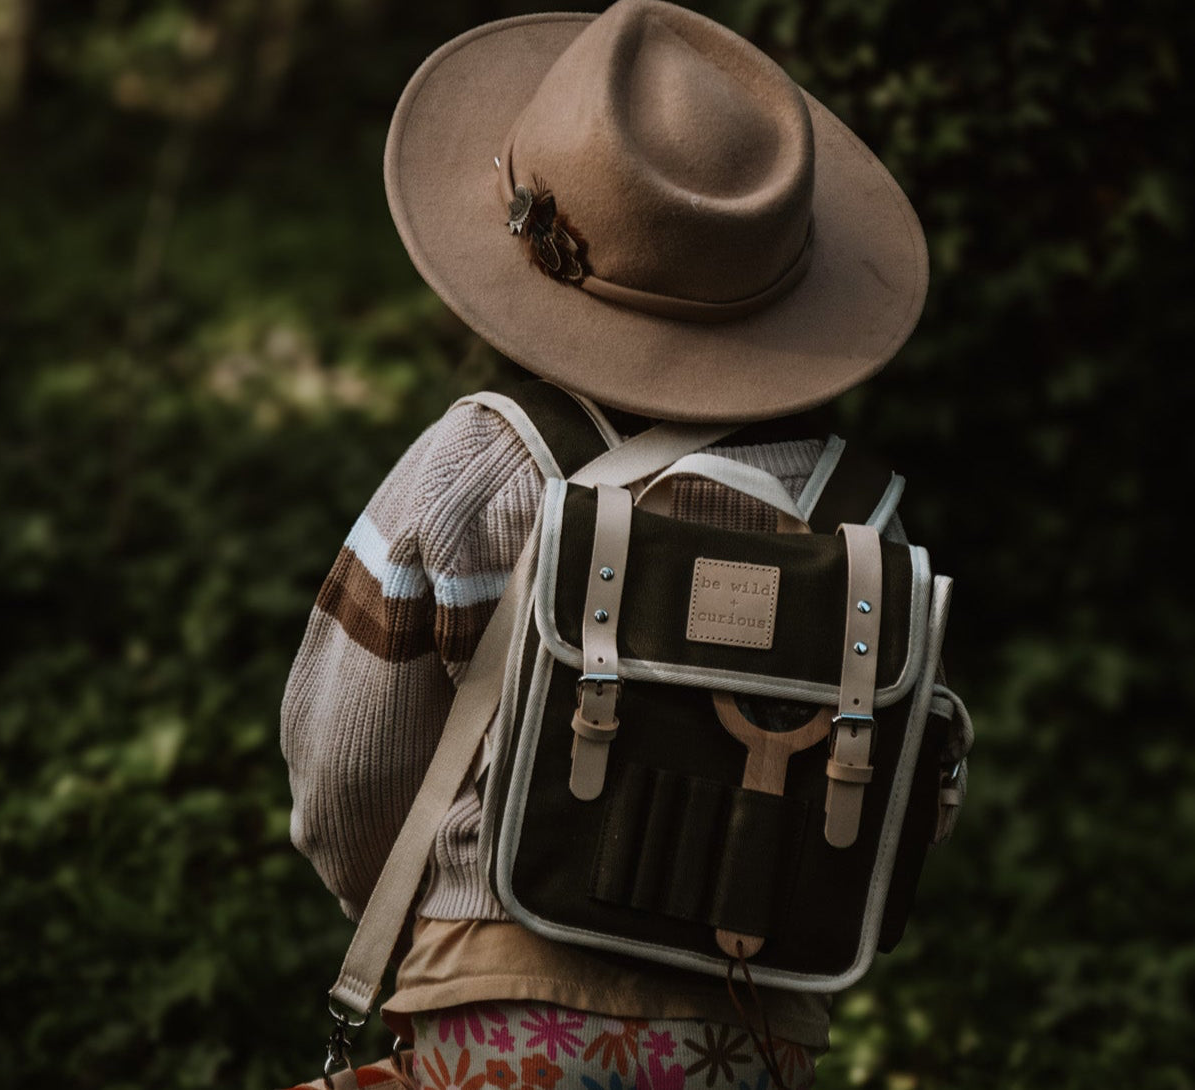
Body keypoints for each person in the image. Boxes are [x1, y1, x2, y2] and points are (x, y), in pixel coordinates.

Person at [281, 2, 929, 1087]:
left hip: (495, 1026)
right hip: (752, 1042)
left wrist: (423, 908)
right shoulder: (862, 520)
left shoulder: (479, 464)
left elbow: (346, 767)